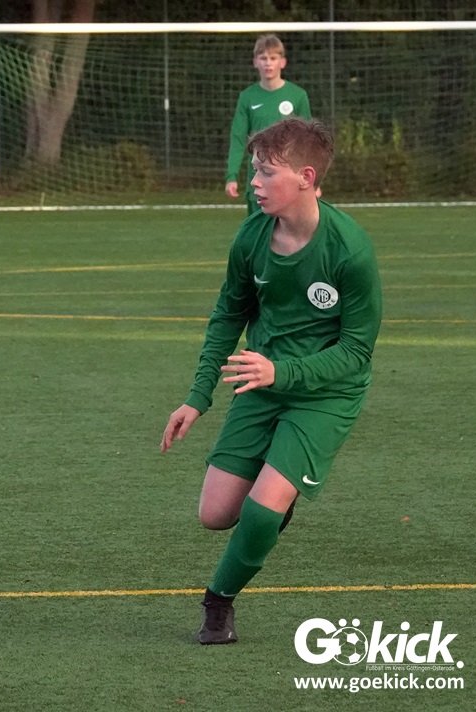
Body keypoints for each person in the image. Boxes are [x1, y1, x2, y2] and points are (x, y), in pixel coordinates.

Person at [162, 117, 382, 645]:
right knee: (215, 514)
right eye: (254, 171)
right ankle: (276, 496)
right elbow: (227, 315)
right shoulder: (252, 236)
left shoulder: (350, 250)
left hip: (326, 393)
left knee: (260, 513)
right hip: (262, 382)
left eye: (266, 172)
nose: (255, 183)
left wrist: (282, 371)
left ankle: (219, 603)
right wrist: (197, 397)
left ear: (306, 177)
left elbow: (356, 352)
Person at [225, 34, 312, 214]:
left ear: (283, 62)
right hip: (258, 181)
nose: (268, 63)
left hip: (289, 181)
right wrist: (232, 176)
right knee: (258, 231)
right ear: (255, 62)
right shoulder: (247, 97)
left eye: (273, 58)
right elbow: (238, 138)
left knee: (288, 231)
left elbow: (308, 141)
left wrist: (313, 181)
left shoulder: (298, 96)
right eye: (263, 58)